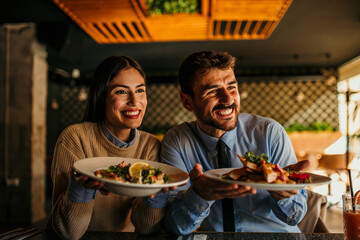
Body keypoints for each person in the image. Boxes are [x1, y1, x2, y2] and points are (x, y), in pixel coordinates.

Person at [159, 51, 308, 234]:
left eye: (232, 87)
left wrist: (283, 196)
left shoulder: (270, 132)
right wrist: (200, 196)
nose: (228, 99)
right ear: (187, 102)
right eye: (213, 91)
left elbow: (295, 217)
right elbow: (175, 227)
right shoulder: (177, 142)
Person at [45, 56, 168, 239]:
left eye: (140, 90)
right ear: (102, 96)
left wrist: (157, 196)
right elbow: (68, 233)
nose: (135, 101)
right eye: (121, 92)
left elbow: (145, 228)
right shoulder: (75, 138)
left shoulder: (150, 146)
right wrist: (81, 190)